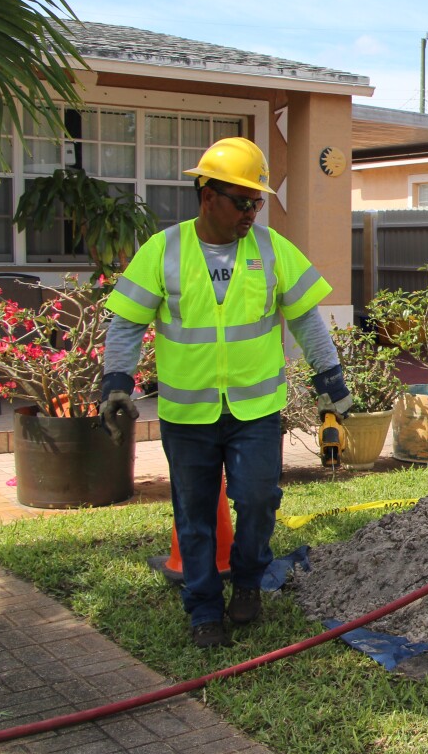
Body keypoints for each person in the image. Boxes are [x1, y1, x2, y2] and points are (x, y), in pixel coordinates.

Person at [99, 137, 351, 648]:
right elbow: (126, 323)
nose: (251, 213)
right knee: (193, 517)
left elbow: (306, 319)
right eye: (242, 201)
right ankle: (203, 609)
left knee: (258, 500)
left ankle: (249, 582)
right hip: (187, 413)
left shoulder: (270, 248)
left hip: (255, 410)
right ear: (206, 195)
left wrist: (331, 382)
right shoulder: (164, 249)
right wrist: (116, 383)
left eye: (257, 202)